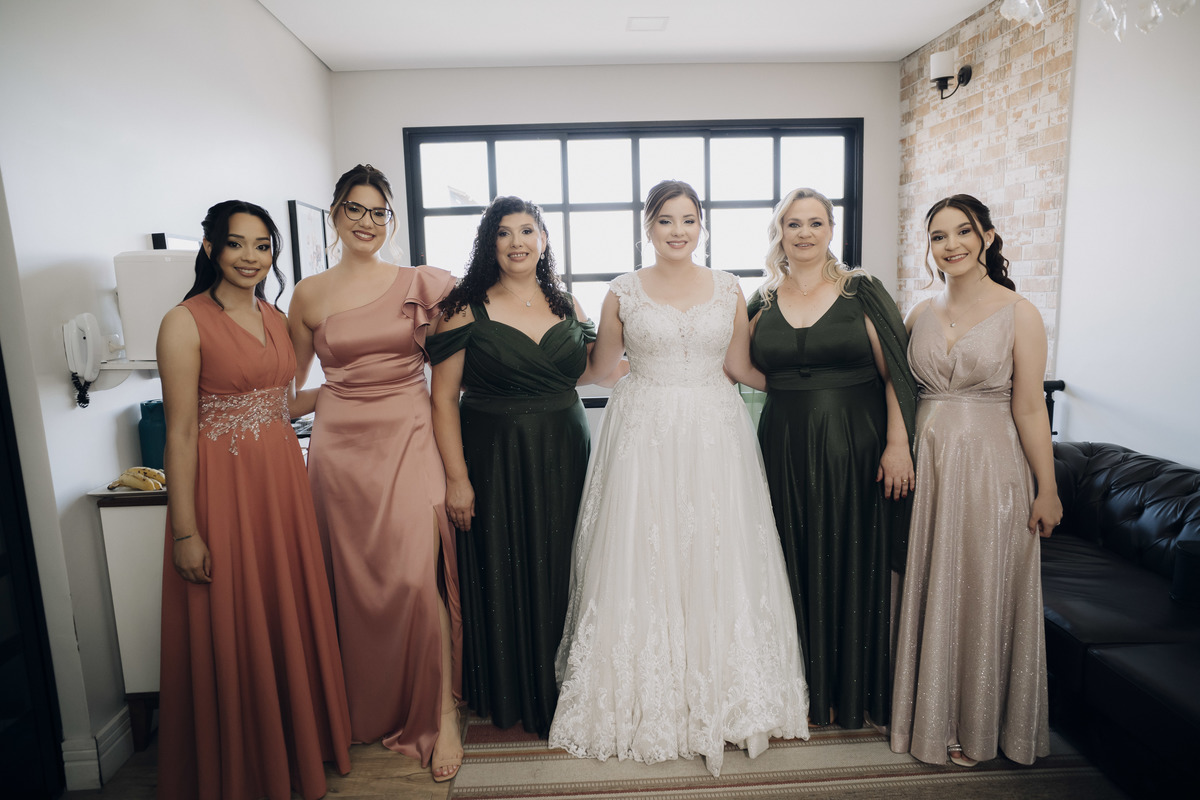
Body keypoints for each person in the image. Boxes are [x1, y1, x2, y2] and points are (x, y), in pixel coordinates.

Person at [549, 180, 809, 777]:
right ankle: (643, 695)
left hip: (716, 431)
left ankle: (729, 693)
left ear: (701, 225)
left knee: (718, 552)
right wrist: (546, 359)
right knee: (645, 554)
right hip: (644, 432)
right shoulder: (622, 290)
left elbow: (738, 365)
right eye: (666, 220)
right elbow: (602, 368)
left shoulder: (729, 287)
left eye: (688, 219)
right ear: (649, 226)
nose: (678, 230)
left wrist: (807, 387)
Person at [156, 200, 351, 800]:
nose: (250, 257)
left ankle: (292, 749)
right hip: (224, 490)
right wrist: (185, 531)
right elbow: (180, 432)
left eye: (262, 246)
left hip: (281, 487)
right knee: (234, 614)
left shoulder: (274, 316)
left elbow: (279, 403)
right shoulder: (184, 322)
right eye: (236, 243)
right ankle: (242, 766)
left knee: (281, 607)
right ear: (211, 248)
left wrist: (347, 388)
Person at [288, 165, 463, 781]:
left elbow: (460, 363)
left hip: (410, 436)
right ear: (335, 215)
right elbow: (285, 393)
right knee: (353, 581)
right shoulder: (308, 294)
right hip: (339, 451)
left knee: (416, 580)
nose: (367, 222)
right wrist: (336, 392)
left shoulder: (423, 283)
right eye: (354, 209)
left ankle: (442, 714)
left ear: (391, 219)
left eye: (378, 212)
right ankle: (361, 705)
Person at [429, 196, 611, 737]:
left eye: (527, 231)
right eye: (504, 232)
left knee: (568, 561)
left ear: (543, 240)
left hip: (565, 452)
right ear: (490, 244)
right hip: (495, 458)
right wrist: (457, 479)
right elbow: (442, 399)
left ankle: (568, 686)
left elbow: (586, 372)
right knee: (504, 563)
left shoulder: (569, 305)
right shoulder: (463, 307)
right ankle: (513, 691)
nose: (517, 242)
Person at [890, 194, 1061, 767]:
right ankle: (926, 717)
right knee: (928, 583)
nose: (952, 245)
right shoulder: (917, 313)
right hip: (927, 469)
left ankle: (976, 724)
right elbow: (896, 389)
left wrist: (1047, 488)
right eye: (939, 236)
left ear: (987, 236)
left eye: (963, 231)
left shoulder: (1020, 313)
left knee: (980, 588)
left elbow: (1030, 407)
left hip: (992, 471)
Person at [747, 188, 917, 730]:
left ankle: (852, 688)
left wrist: (898, 444)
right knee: (787, 554)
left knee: (850, 553)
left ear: (831, 229)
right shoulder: (761, 301)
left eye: (815, 222)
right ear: (780, 232)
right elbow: (732, 364)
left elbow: (896, 373)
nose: (804, 233)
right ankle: (798, 689)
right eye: (793, 223)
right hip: (783, 445)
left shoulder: (861, 291)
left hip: (855, 443)